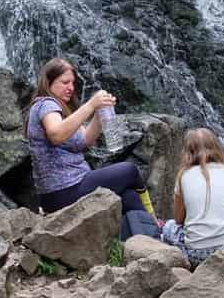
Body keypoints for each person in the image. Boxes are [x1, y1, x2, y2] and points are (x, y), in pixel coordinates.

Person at [25, 57, 154, 218]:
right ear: (49, 82)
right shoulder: (45, 104)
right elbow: (56, 135)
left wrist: (100, 112)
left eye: (72, 83)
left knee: (129, 197)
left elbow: (85, 141)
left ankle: (150, 235)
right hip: (63, 189)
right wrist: (91, 104)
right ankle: (155, 219)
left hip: (73, 186)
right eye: (65, 82)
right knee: (130, 170)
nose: (71, 88)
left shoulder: (64, 111)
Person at [164, 127, 224, 266]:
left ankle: (186, 263)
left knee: (169, 227)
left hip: (199, 254)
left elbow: (179, 220)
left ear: (187, 152)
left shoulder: (183, 175)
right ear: (218, 147)